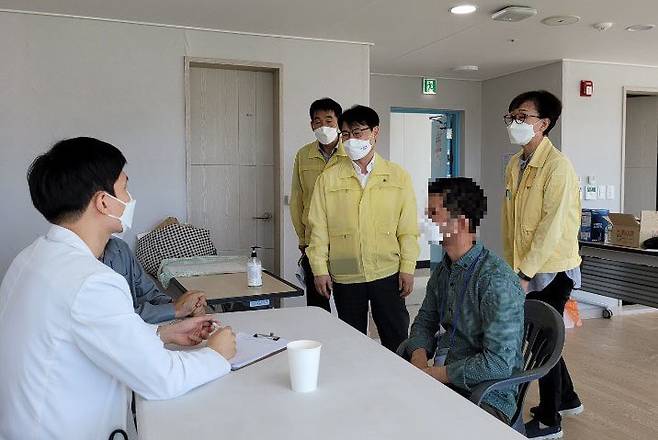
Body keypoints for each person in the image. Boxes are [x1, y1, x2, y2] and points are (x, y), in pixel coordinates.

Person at [0, 137, 237, 439]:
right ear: (103, 202)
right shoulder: (91, 281)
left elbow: (85, 335)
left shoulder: (31, 258)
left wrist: (161, 333)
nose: (130, 198)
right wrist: (216, 354)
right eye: (125, 188)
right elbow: (162, 380)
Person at [400, 177, 524, 425]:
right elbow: (424, 321)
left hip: (488, 394)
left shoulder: (496, 280)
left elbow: (498, 364)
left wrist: (435, 375)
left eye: (433, 214)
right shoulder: (444, 269)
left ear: (462, 223)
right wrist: (419, 360)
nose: (425, 222)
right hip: (445, 376)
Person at [502, 90, 583, 439]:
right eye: (512, 116)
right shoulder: (515, 164)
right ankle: (568, 398)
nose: (515, 123)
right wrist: (512, 268)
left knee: (541, 342)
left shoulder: (557, 167)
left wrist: (525, 273)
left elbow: (551, 228)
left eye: (523, 116)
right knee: (543, 339)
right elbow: (511, 223)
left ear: (544, 123)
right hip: (525, 266)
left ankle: (550, 420)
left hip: (553, 268)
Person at [306, 105, 419, 352]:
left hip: (387, 271)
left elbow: (408, 229)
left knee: (396, 338)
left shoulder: (397, 176)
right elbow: (318, 229)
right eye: (346, 134)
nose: (351, 140)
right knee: (351, 342)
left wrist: (408, 267)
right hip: (346, 272)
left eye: (357, 133)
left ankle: (398, 375)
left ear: (375, 132)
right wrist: (319, 270)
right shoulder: (329, 178)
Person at [290, 97, 348, 312]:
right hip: (313, 240)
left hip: (345, 242)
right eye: (317, 121)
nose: (323, 126)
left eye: (329, 121)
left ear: (339, 122)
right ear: (311, 125)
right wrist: (302, 238)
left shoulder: (351, 153)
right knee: (317, 303)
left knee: (348, 302)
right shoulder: (303, 155)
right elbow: (297, 199)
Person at [102, 236, 207, 323]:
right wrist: (175, 309)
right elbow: (110, 319)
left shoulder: (120, 248)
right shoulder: (91, 264)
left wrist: (187, 306)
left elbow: (149, 294)